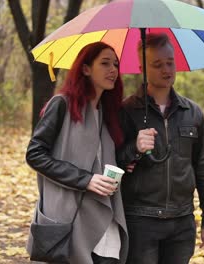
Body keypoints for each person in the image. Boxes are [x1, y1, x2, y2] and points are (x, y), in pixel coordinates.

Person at [116, 33, 204, 264]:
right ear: (143, 67)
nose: (166, 69)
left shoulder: (192, 113)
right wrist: (134, 148)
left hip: (182, 221)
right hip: (140, 220)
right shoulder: (126, 111)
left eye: (170, 62)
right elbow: (111, 163)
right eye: (157, 64)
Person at [25, 42, 128, 264]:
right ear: (85, 68)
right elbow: (35, 154)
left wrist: (135, 151)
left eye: (116, 64)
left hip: (104, 215)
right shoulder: (61, 104)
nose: (113, 70)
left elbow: (104, 158)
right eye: (105, 63)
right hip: (70, 217)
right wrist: (85, 180)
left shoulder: (107, 113)